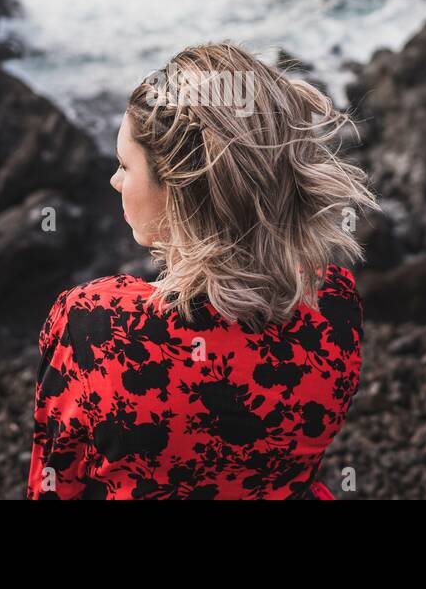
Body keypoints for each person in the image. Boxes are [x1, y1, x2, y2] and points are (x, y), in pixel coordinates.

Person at [26, 41, 380, 499]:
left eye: (124, 164)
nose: (114, 181)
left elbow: (55, 484)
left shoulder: (93, 322)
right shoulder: (332, 304)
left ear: (178, 187)